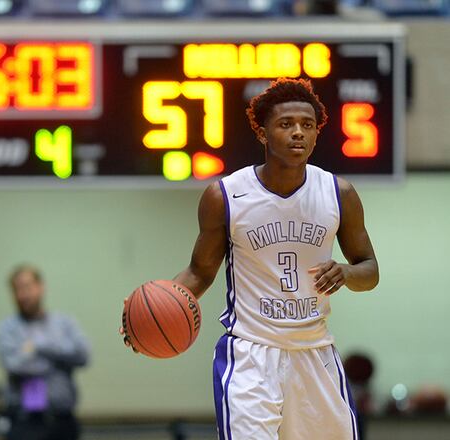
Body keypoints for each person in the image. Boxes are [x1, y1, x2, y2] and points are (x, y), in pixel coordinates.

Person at [123, 78, 379, 439]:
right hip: (251, 355)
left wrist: (346, 272)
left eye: (307, 126)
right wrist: (147, 313)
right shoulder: (225, 195)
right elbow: (200, 272)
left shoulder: (339, 194)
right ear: (262, 133)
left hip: (315, 352)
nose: (298, 134)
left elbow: (370, 269)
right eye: (286, 124)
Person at [0, 264, 90, 440]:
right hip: (25, 424)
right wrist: (59, 361)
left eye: (27, 287)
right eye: (17, 289)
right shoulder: (6, 329)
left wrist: (38, 348)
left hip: (63, 422)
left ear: (41, 286)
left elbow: (83, 355)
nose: (23, 295)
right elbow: (14, 365)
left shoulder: (64, 323)